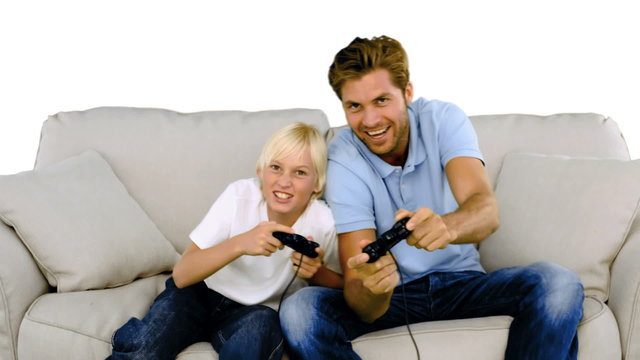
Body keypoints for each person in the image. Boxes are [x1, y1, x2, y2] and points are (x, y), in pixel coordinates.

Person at [279, 35, 584, 360]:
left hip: (464, 284)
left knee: (559, 283)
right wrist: (375, 288)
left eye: (382, 100)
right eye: (355, 106)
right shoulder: (342, 157)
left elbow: (485, 209)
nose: (369, 121)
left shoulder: (442, 119)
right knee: (300, 310)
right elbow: (360, 299)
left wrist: (447, 227)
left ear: (407, 93)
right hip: (395, 297)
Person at [109, 122, 343, 360]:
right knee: (145, 348)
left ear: (317, 184)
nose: (284, 181)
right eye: (276, 167)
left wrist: (316, 273)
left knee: (259, 332)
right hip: (199, 293)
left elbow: (344, 287)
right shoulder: (239, 195)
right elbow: (181, 275)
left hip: (253, 313)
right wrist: (240, 244)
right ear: (260, 171)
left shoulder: (323, 222)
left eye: (300, 172)